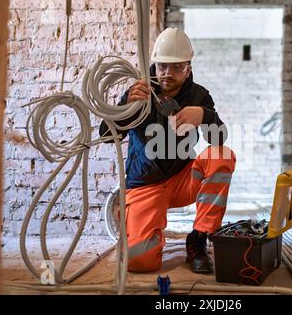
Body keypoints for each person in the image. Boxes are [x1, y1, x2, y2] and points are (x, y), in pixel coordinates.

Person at [99, 28, 236, 273]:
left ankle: (198, 239)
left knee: (221, 156)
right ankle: (147, 233)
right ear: (155, 64)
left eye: (176, 67)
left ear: (188, 68)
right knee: (139, 262)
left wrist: (205, 115)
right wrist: (125, 105)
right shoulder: (139, 93)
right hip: (145, 185)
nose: (167, 74)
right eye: (162, 66)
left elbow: (220, 139)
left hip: (183, 180)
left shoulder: (198, 96)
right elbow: (106, 136)